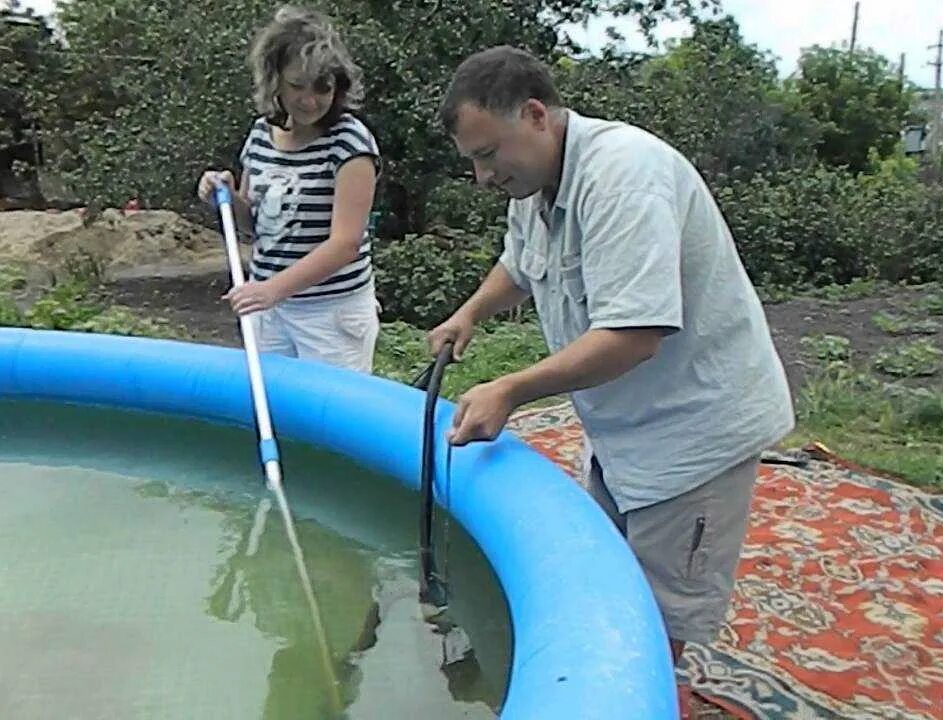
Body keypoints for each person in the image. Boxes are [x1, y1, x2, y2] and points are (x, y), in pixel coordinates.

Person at [426, 45, 795, 715]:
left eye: (488, 154)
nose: (482, 177)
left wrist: (509, 389)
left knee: (657, 619)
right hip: (623, 427)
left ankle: (652, 697)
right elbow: (520, 264)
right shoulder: (533, 182)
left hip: (696, 428)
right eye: (473, 161)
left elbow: (635, 336)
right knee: (608, 582)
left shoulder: (625, 176)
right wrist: (471, 312)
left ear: (536, 115)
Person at [197, 5, 381, 372]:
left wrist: (271, 289)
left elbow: (344, 245)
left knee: (329, 421)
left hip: (330, 315)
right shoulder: (261, 136)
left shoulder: (350, 143)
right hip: (269, 312)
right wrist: (224, 196)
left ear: (338, 86)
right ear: (275, 79)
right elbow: (254, 224)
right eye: (297, 85)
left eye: (322, 88)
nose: (310, 100)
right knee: (274, 411)